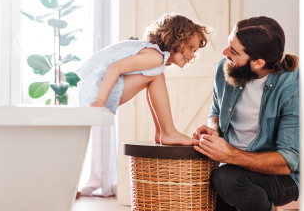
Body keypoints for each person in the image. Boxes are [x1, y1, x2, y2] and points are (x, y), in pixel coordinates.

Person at [193, 16, 299, 211]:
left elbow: (287, 162)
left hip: (281, 180)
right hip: (232, 172)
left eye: (233, 50)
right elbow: (216, 112)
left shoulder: (292, 87)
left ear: (258, 62)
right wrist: (214, 129)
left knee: (227, 179)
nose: (224, 52)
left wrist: (229, 154)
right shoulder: (226, 68)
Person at [76, 13, 210, 145]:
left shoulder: (151, 53)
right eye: (190, 48)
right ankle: (167, 132)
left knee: (156, 75)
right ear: (176, 39)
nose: (192, 55)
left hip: (95, 92)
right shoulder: (155, 56)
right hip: (96, 96)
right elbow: (114, 68)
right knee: (156, 75)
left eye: (195, 50)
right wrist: (99, 101)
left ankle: (162, 132)